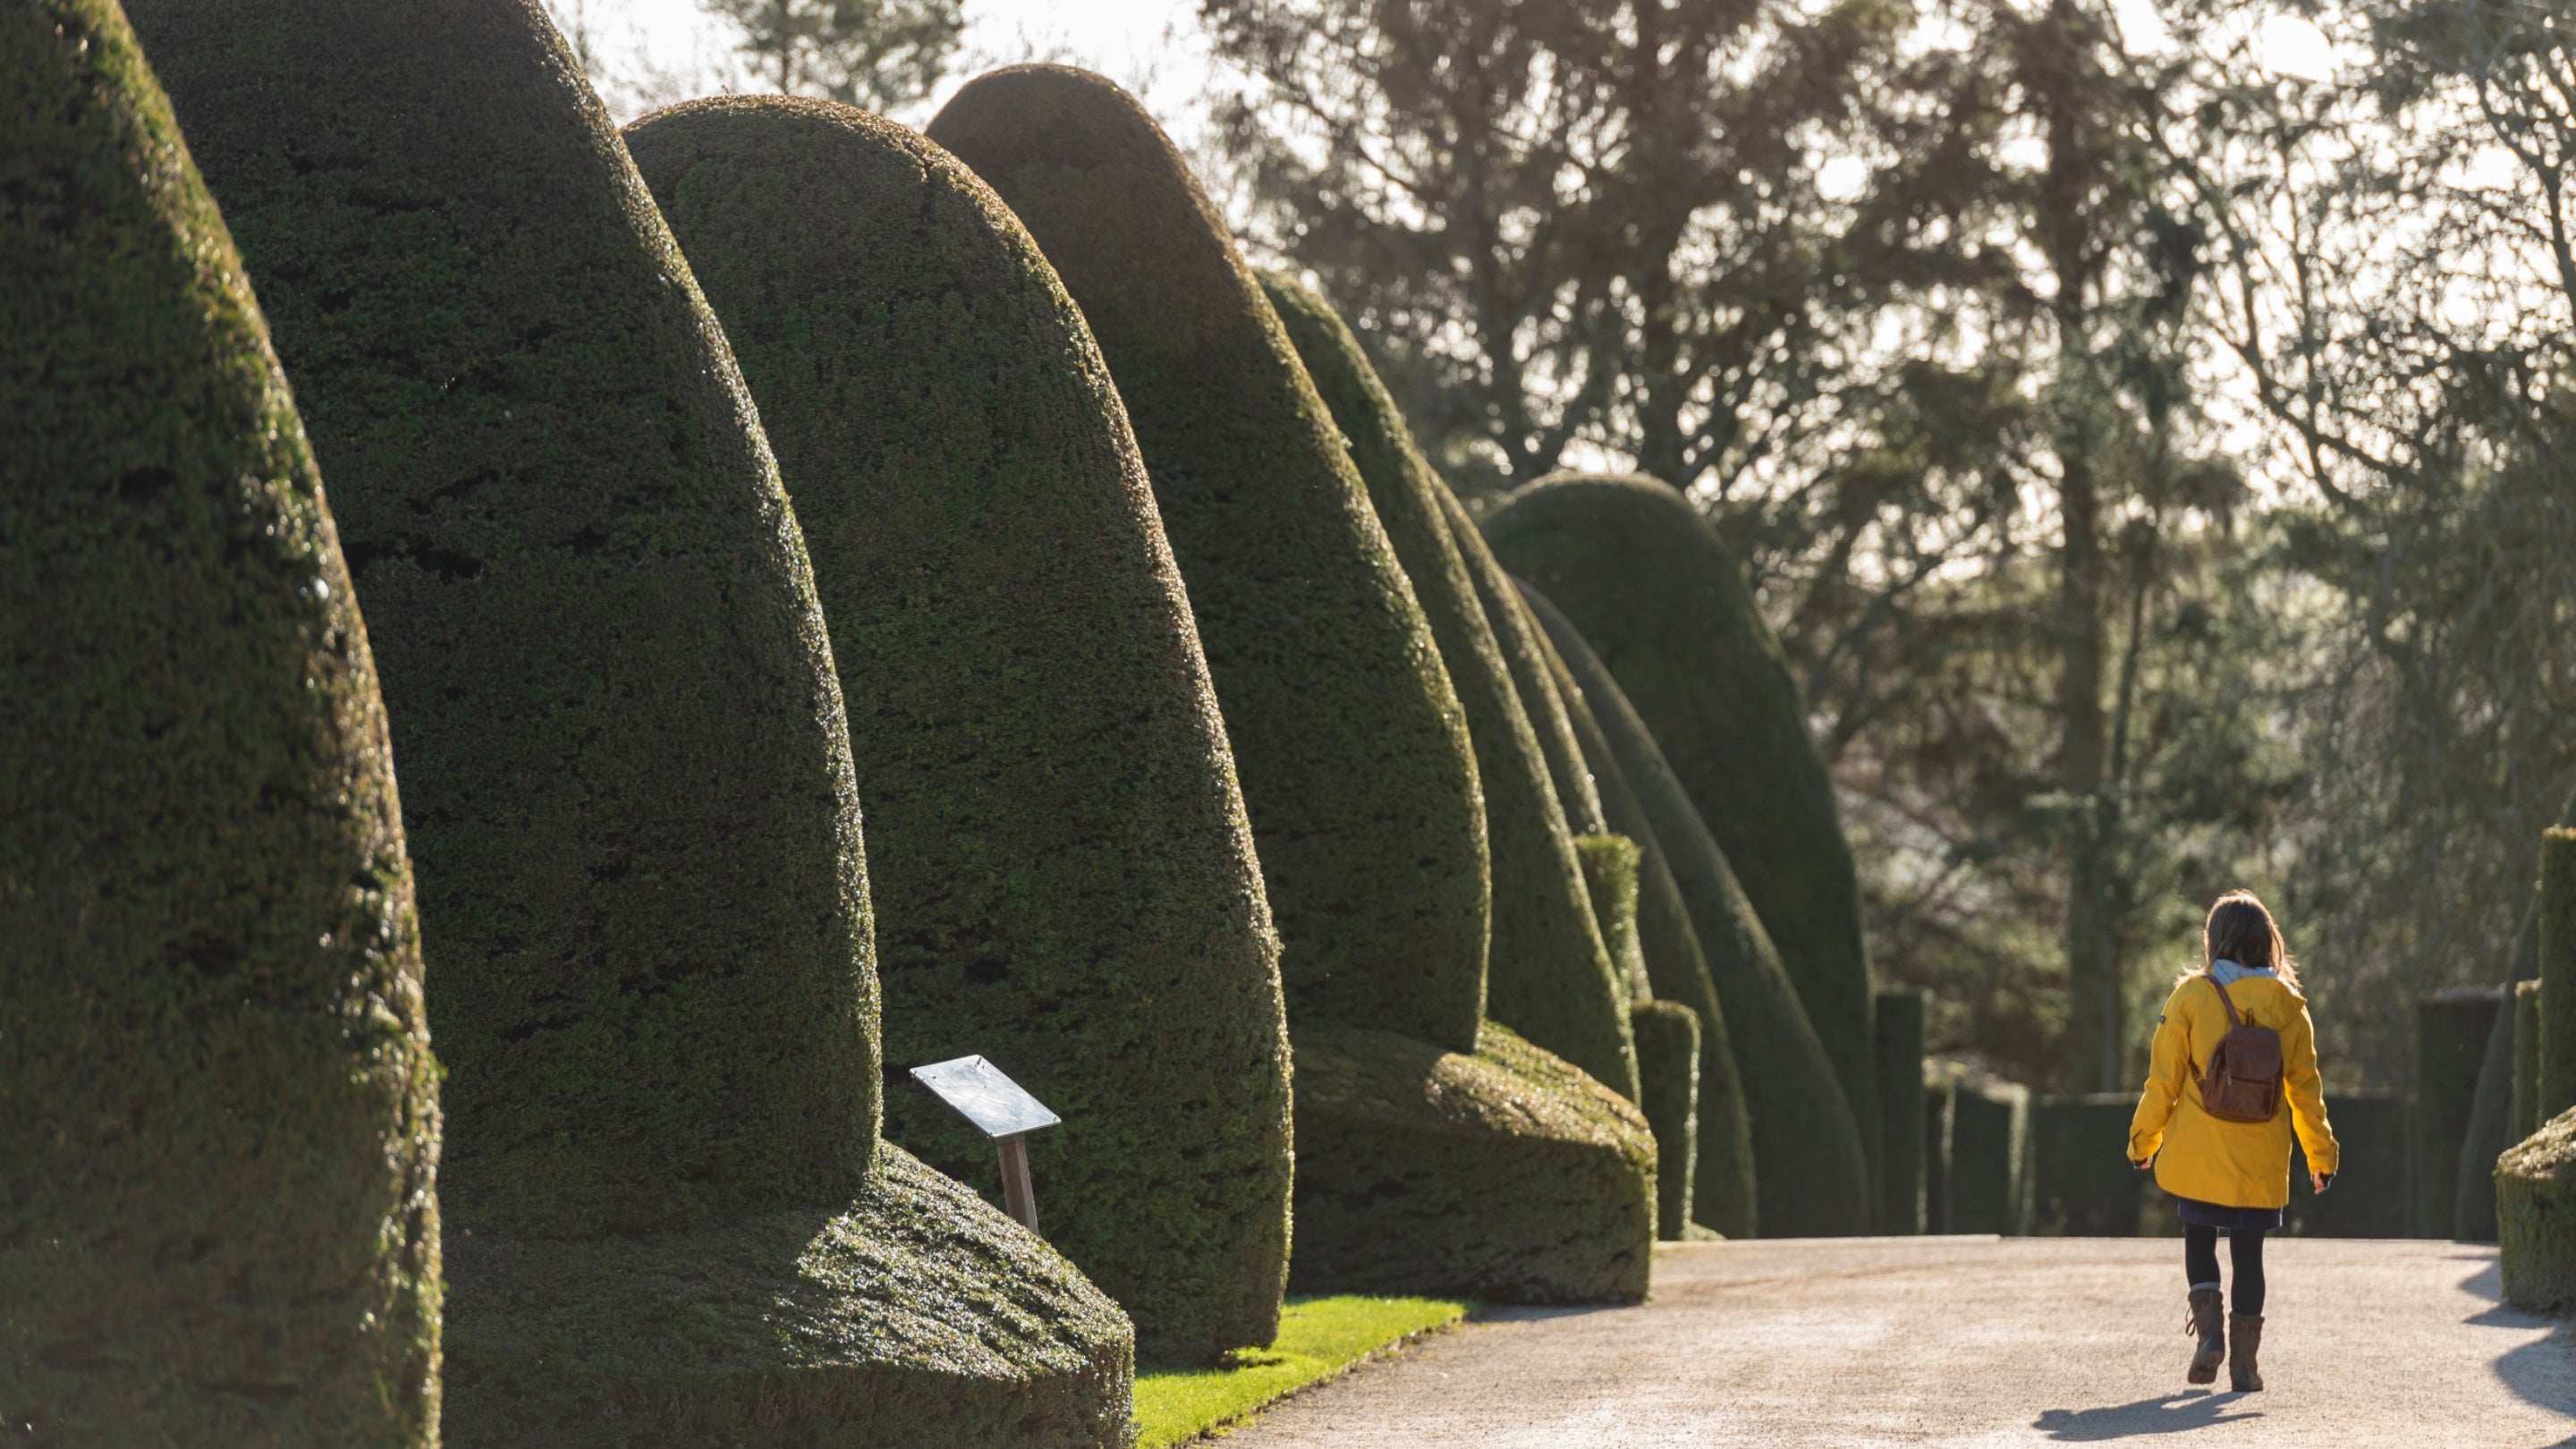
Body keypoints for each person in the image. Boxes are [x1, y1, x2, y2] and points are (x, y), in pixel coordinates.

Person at [2128, 890, 2338, 1394]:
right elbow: (2307, 1093)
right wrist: (2321, 1155)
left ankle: (2210, 1338)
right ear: (2269, 944)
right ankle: (2245, 1364)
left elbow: (2164, 1081)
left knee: (2199, 1240)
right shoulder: (2290, 1007)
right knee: (2249, 1255)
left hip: (2199, 1155)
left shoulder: (2192, 998)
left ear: (2214, 941)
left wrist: (2144, 1139)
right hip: (2258, 1161)